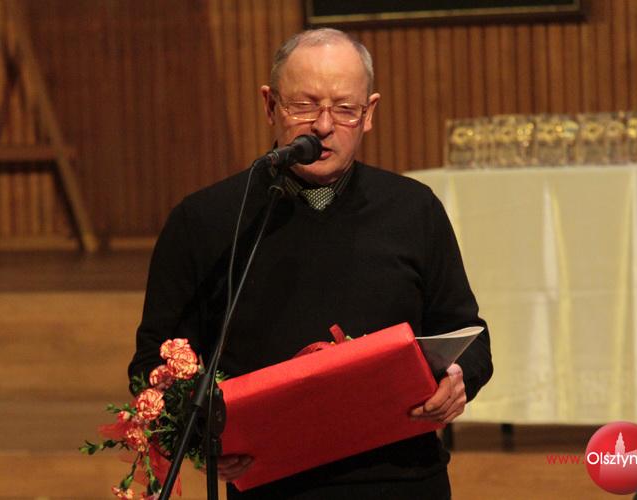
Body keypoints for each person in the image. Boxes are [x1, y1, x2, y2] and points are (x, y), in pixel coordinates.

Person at [129, 28, 492, 499]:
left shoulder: (413, 209)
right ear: (269, 105)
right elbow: (153, 364)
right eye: (303, 105)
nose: (323, 126)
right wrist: (202, 438)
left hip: (402, 480)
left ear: (369, 114)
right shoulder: (207, 220)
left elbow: (469, 335)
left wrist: (459, 381)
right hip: (272, 484)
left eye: (344, 109)